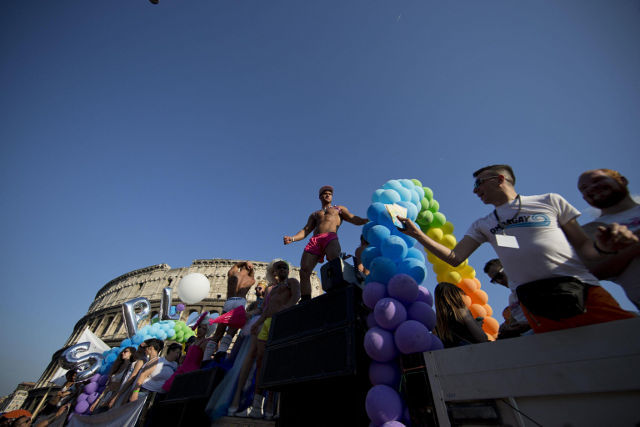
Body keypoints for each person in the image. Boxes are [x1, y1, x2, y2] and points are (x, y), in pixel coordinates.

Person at [397, 164, 637, 334]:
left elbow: (584, 247)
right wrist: (417, 234)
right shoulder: (484, 224)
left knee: (625, 342)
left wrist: (605, 249)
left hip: (584, 291)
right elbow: (454, 257)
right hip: (536, 304)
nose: (475, 190)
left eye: (479, 183)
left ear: (500, 179)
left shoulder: (549, 201)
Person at [228, 259, 300, 419]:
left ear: (288, 270)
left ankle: (270, 409)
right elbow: (266, 309)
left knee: (274, 363)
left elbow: (296, 297)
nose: (282, 270)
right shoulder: (273, 290)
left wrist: (285, 309)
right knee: (261, 363)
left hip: (280, 321)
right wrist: (258, 323)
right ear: (274, 272)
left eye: (284, 267)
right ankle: (256, 407)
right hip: (267, 322)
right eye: (278, 268)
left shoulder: (293, 282)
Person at [284, 185, 368, 301]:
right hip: (315, 240)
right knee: (304, 270)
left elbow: (353, 218)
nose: (328, 195)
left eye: (330, 193)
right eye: (325, 193)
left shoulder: (338, 209)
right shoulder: (315, 214)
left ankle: (340, 292)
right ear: (320, 197)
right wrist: (292, 238)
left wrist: (366, 220)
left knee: (335, 263)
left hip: (330, 237)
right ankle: (306, 300)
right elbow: (306, 230)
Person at [578, 168, 640, 310]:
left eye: (598, 180)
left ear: (622, 180)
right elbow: (592, 271)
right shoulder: (590, 230)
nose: (592, 187)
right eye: (584, 188)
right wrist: (635, 245)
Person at [211, 261, 256, 360]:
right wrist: (251, 268)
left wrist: (244, 262)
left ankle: (206, 358)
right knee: (231, 331)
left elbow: (235, 266)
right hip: (240, 302)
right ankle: (221, 352)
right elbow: (253, 278)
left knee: (219, 332)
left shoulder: (233, 273)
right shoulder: (250, 280)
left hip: (229, 301)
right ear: (250, 269)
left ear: (242, 267)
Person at [162, 313, 214, 393]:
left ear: (207, 331)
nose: (200, 330)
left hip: (192, 372)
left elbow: (205, 360)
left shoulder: (205, 343)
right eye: (199, 327)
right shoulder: (193, 342)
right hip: (182, 369)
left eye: (203, 329)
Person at [483, 259, 532, 338]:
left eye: (499, 276)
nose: (499, 281)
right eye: (494, 280)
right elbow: (513, 322)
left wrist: (527, 325)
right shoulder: (512, 298)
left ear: (508, 268)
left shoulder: (532, 286)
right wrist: (505, 327)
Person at [434, 282, 489, 348]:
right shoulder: (462, 312)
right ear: (456, 296)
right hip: (472, 353)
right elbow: (482, 338)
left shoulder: (437, 323)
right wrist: (477, 326)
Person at [90, 346, 136, 413]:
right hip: (105, 397)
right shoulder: (118, 367)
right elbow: (108, 387)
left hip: (114, 400)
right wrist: (96, 402)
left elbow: (123, 385)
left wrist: (112, 399)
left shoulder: (130, 368)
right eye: (122, 351)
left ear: (131, 354)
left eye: (126, 351)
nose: (122, 353)